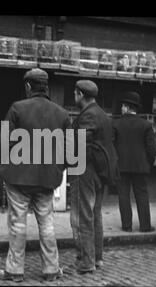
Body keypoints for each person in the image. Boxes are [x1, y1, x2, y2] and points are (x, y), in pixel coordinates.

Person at [0, 68, 71, 282]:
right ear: (46, 86)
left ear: (28, 86)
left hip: (18, 177)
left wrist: (6, 167)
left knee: (17, 224)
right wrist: (58, 169)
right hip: (47, 179)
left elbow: (3, 142)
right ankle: (51, 269)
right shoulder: (62, 114)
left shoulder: (17, 108)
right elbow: (71, 151)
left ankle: (15, 271)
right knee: (47, 224)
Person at [68, 80, 119, 274]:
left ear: (80, 94)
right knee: (95, 215)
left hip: (85, 171)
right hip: (100, 172)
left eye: (75, 93)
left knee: (83, 216)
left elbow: (82, 145)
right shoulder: (102, 114)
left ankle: (86, 261)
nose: (74, 96)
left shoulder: (88, 115)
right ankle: (97, 258)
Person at [112, 92, 156, 232]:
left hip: (121, 166)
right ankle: (145, 225)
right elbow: (152, 149)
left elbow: (111, 147)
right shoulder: (146, 125)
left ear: (126, 107)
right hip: (140, 166)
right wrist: (148, 164)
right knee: (142, 195)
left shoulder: (116, 124)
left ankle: (127, 226)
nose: (121, 109)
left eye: (122, 106)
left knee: (123, 195)